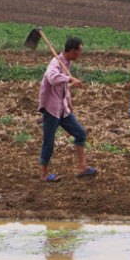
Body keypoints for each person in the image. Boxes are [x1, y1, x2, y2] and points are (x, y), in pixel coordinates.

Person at [38, 36, 97, 182]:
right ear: (72, 51)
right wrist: (70, 79)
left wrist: (69, 104)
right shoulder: (55, 63)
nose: (80, 55)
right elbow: (52, 78)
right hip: (52, 109)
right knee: (49, 142)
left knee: (80, 133)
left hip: (62, 109)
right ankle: (45, 173)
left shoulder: (67, 63)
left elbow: (63, 89)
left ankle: (82, 166)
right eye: (79, 52)